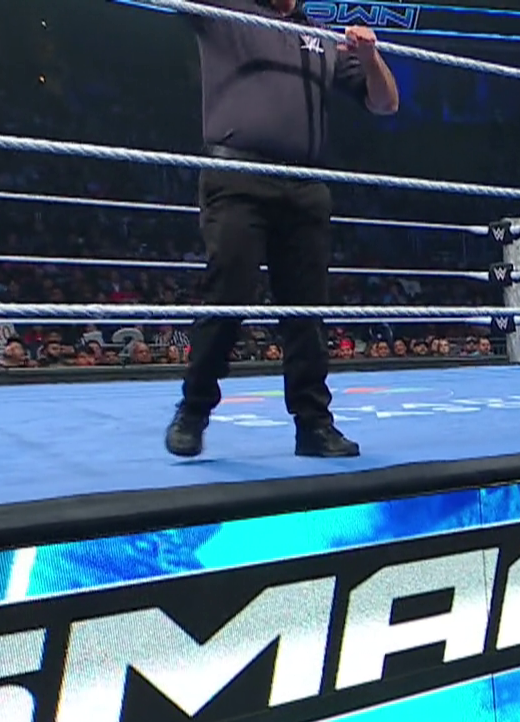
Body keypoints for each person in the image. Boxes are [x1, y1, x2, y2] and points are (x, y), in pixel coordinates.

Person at [165, 0, 401, 460]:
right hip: (237, 178)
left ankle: (314, 426)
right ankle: (193, 411)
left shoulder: (324, 38)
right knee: (227, 295)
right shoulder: (226, 11)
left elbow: (386, 102)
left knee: (306, 312)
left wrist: (371, 57)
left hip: (305, 186)